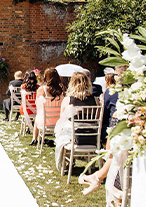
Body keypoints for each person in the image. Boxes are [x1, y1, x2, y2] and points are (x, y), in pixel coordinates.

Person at [78, 65, 128, 202]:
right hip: (119, 140)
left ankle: (98, 177)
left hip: (116, 138)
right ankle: (98, 176)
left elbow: (105, 116)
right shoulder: (101, 90)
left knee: (113, 143)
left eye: (116, 75)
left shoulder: (111, 93)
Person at [54, 72, 100, 171]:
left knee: (61, 133)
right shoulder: (96, 100)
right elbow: (97, 120)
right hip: (91, 137)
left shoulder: (68, 100)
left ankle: (67, 162)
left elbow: (62, 119)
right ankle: (90, 162)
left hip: (74, 138)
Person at [30, 68, 63, 146]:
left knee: (38, 116)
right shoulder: (62, 90)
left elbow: (37, 103)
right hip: (59, 121)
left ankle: (34, 139)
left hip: (45, 121)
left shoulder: (42, 89)